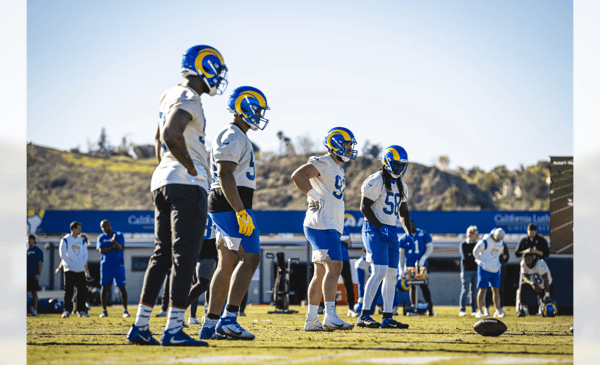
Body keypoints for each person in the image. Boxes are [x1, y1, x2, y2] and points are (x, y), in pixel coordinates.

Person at [127, 45, 227, 347]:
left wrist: (169, 166)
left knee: (162, 255)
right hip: (185, 184)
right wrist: (192, 169)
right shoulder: (190, 97)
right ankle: (172, 329)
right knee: (185, 258)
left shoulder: (168, 94)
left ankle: (141, 326)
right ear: (204, 67)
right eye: (216, 69)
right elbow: (171, 134)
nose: (218, 77)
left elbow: (159, 139)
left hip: (163, 180)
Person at [199, 86, 270, 341]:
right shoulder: (232, 134)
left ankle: (210, 324)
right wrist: (240, 211)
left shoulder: (239, 135)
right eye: (257, 108)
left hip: (228, 202)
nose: (259, 114)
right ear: (245, 107)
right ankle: (229, 320)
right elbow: (225, 174)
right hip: (229, 203)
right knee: (251, 259)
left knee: (227, 263)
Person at [292, 127, 357, 332]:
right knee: (334, 268)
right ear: (336, 144)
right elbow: (298, 175)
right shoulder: (324, 162)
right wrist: (314, 195)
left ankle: (312, 319)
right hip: (322, 224)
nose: (349, 149)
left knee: (320, 272)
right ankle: (330, 315)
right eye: (346, 145)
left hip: (327, 224)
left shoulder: (336, 167)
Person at [356, 145, 412, 330]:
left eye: (402, 165)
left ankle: (388, 317)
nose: (399, 168)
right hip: (374, 228)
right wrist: (380, 227)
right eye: (396, 164)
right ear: (387, 162)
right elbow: (364, 207)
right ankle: (364, 315)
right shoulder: (376, 180)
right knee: (378, 271)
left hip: (391, 230)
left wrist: (409, 231)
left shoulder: (401, 185)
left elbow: (403, 213)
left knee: (391, 275)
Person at [399, 219, 435, 316]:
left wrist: (424, 258)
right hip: (410, 265)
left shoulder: (423, 234)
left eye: (412, 224)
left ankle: (430, 307)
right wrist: (400, 268)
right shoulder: (403, 238)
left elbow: (430, 247)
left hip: (422, 265)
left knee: (424, 285)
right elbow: (401, 255)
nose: (411, 226)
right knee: (412, 285)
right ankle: (413, 306)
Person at [96, 220, 129, 318]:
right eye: (102, 227)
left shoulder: (118, 235)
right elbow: (101, 250)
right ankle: (104, 311)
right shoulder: (101, 237)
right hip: (106, 266)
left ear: (109, 225)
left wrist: (114, 242)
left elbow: (119, 247)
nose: (104, 228)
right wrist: (112, 246)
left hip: (118, 266)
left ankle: (125, 311)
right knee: (104, 288)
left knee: (122, 287)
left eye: (105, 226)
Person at [188, 216, 217, 325]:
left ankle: (192, 315)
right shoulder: (213, 211)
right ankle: (179, 310)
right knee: (204, 284)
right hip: (207, 251)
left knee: (197, 284)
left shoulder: (196, 209)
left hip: (195, 250)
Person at [515, 223, 550, 315]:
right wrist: (526, 251)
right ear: (527, 231)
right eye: (529, 231)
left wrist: (535, 252)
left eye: (533, 231)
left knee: (541, 284)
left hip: (538, 266)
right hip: (526, 266)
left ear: (536, 231)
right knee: (523, 284)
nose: (531, 233)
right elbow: (517, 253)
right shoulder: (524, 240)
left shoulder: (541, 240)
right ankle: (522, 307)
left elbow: (546, 254)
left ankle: (541, 306)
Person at [472, 227, 506, 318]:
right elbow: (475, 251)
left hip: (495, 269)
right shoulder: (485, 241)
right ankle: (479, 310)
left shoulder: (501, 242)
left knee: (496, 290)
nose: (498, 240)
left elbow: (499, 253)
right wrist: (479, 261)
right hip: (484, 268)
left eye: (500, 239)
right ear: (494, 235)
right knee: (482, 290)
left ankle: (497, 311)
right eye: (497, 238)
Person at [59, 221, 90, 318]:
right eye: (78, 228)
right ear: (73, 229)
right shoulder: (65, 239)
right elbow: (62, 253)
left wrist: (82, 263)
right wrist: (70, 263)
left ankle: (81, 311)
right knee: (68, 291)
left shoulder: (82, 241)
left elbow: (85, 254)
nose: (80, 230)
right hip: (69, 269)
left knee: (82, 291)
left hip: (80, 270)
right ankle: (66, 310)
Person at [517, 249, 555, 317]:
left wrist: (547, 294)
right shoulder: (523, 263)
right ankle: (522, 309)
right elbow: (524, 277)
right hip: (536, 286)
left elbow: (545, 279)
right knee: (523, 286)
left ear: (533, 257)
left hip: (547, 286)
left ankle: (550, 305)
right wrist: (532, 283)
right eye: (525, 259)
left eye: (529, 259)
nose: (527, 261)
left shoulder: (540, 263)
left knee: (546, 313)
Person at [458, 225, 479, 317]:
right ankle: (462, 310)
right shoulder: (463, 244)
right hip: (466, 271)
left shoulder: (478, 245)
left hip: (476, 270)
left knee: (474, 291)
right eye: (475, 234)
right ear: (470, 235)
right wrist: (473, 257)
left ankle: (474, 310)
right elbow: (467, 257)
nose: (477, 236)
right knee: (465, 291)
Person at [340, 226, 358, 317]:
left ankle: (351, 308)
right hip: (333, 258)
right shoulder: (331, 225)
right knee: (331, 283)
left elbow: (349, 246)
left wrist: (347, 242)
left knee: (349, 283)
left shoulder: (345, 228)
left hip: (345, 258)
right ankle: (329, 309)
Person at [26, 234, 44, 316]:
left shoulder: (38, 251)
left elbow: (40, 263)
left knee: (34, 293)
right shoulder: (24, 250)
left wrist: (38, 274)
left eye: (30, 239)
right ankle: (25, 309)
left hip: (33, 275)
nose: (28, 241)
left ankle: (35, 309)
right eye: (27, 239)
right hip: (24, 275)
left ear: (34, 240)